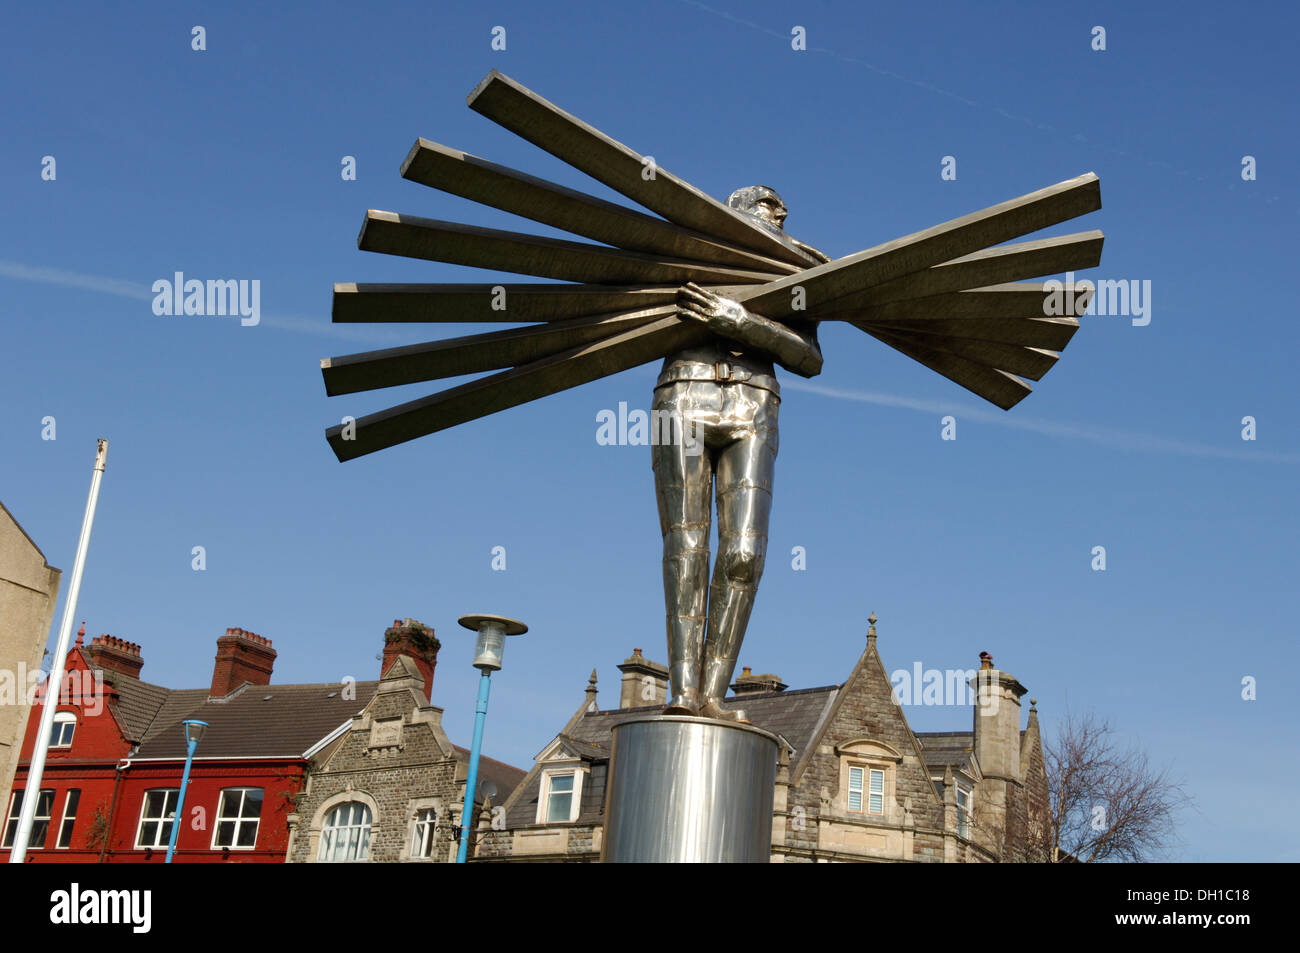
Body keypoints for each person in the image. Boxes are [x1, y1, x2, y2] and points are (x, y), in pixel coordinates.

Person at [652, 185, 828, 723]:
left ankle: (715, 693)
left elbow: (810, 358)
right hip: (683, 391)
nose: (782, 211)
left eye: (782, 204)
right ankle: (682, 690)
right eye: (769, 203)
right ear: (736, 213)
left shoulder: (797, 270)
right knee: (687, 546)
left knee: (745, 553)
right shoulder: (688, 253)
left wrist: (743, 323)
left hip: (754, 402)